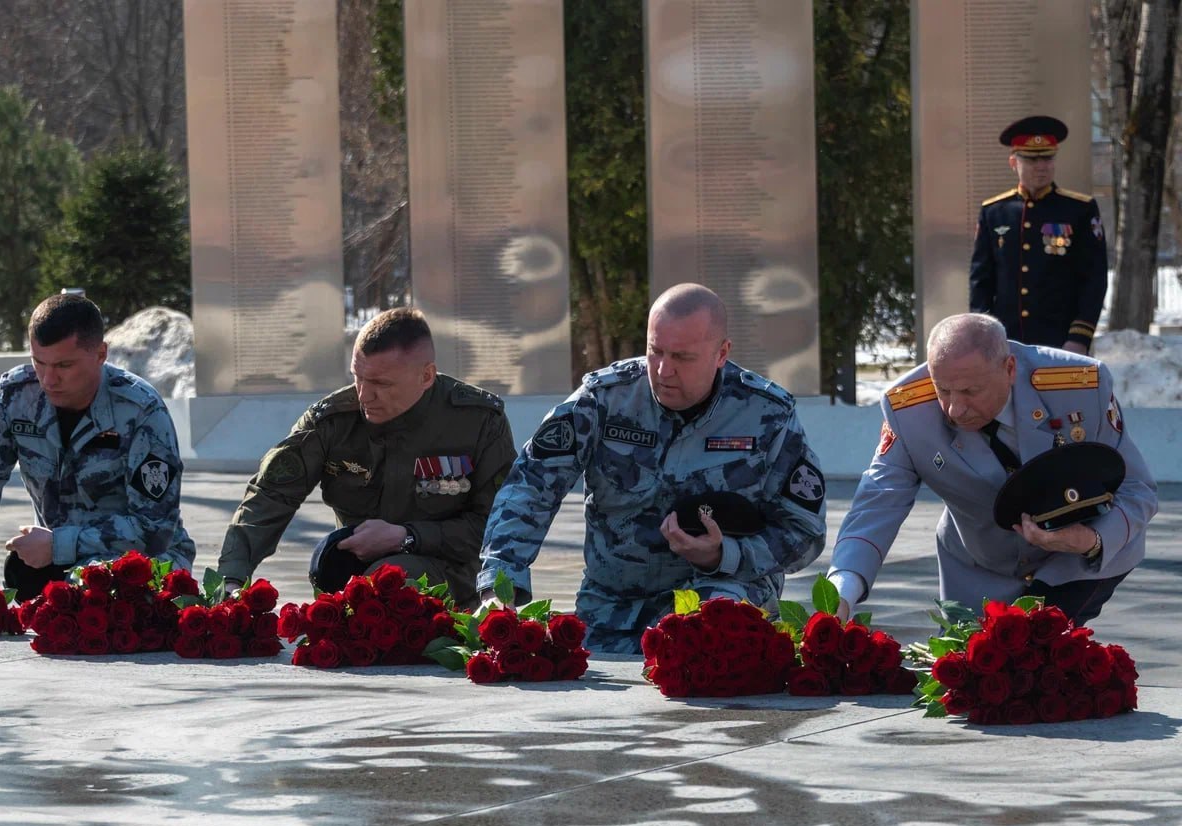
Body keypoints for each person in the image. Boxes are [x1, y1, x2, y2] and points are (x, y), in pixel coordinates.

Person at [479, 283, 828, 653]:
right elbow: (530, 487)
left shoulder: (766, 415)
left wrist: (723, 554)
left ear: (722, 353)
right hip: (613, 605)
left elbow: (804, 531)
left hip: (723, 591)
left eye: (682, 357)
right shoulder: (604, 400)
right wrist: (500, 586)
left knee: (704, 648)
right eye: (654, 351)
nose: (663, 370)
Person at [827, 313, 1156, 625]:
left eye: (970, 391)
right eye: (943, 390)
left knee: (1037, 656)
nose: (955, 408)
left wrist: (1090, 540)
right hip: (978, 569)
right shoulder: (908, 410)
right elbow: (877, 503)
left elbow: (1137, 489)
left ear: (1010, 368)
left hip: (1077, 559)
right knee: (968, 672)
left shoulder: (1079, 387)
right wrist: (842, 592)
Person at [217, 307, 516, 608]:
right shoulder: (333, 420)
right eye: (358, 377)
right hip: (354, 578)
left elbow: (498, 526)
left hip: (451, 574)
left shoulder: (478, 422)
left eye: (382, 384)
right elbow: (270, 496)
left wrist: (408, 536)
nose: (364, 396)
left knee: (393, 579)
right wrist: (232, 579)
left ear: (426, 376)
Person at [0, 294, 196, 599]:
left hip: (140, 561)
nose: (49, 379)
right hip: (54, 559)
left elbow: (154, 528)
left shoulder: (140, 410)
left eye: (64, 365)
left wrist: (60, 544)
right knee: (25, 579)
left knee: (96, 597)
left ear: (100, 354)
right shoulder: (15, 398)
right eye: (39, 362)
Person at [969, 115, 1108, 354]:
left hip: (1062, 340)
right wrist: (985, 337)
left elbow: (1094, 279)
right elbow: (982, 281)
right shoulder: (995, 212)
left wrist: (1080, 336)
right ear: (1014, 162)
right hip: (1007, 341)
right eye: (1032, 159)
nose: (1041, 166)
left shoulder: (1079, 209)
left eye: (1047, 158)